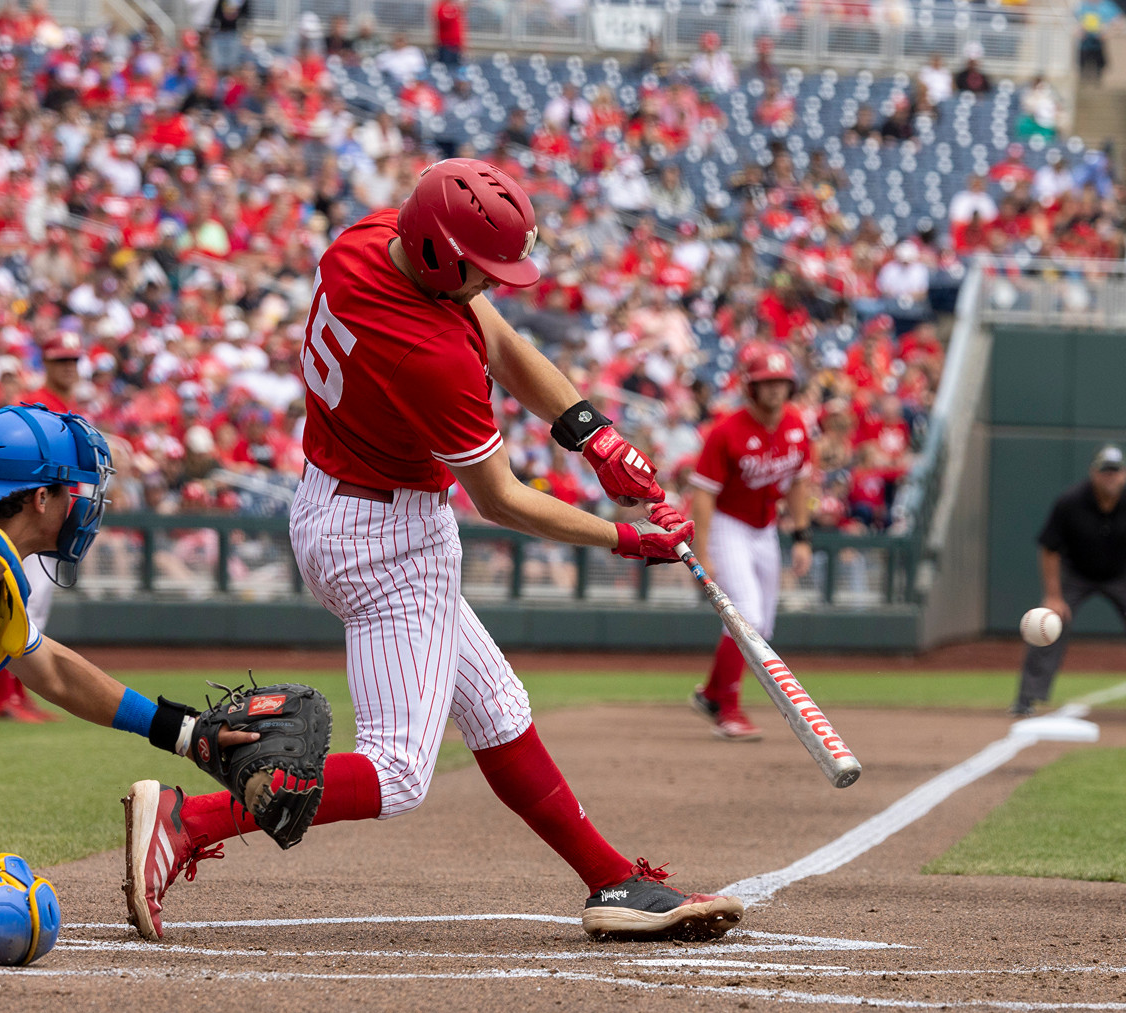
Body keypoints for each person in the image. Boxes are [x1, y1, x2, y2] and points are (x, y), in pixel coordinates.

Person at [120, 159, 743, 944]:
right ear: (443, 257)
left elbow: (502, 341)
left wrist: (593, 432)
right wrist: (625, 538)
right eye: (482, 270)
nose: (493, 285)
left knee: (497, 710)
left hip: (349, 504)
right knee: (400, 771)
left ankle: (609, 880)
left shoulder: (370, 239)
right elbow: (501, 498)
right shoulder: (427, 355)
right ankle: (187, 820)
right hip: (386, 539)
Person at [0, 405, 264, 966]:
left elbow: (52, 670)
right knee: (14, 913)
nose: (84, 502)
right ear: (40, 498)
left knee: (10, 901)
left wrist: (186, 733)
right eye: (71, 488)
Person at [687, 346, 814, 741]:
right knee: (748, 617)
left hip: (765, 527)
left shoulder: (796, 425)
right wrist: (702, 553)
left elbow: (799, 483)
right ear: (750, 387)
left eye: (781, 382)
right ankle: (728, 711)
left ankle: (710, 694)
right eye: (766, 383)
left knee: (763, 625)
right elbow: (703, 495)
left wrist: (802, 536)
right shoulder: (726, 430)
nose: (775, 390)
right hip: (728, 523)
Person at [1012, 446, 1126, 721]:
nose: (1110, 477)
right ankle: (1025, 699)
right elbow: (1049, 548)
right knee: (1046, 622)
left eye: (1116, 472)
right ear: (1093, 473)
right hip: (1076, 572)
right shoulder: (1070, 501)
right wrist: (1053, 595)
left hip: (1122, 574)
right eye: (1105, 472)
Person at [0, 335, 90, 723]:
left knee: (36, 610)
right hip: (33, 516)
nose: (69, 366)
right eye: (60, 359)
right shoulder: (33, 403)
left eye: (73, 359)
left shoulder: (66, 405)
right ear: (46, 363)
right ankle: (5, 700)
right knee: (21, 605)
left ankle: (17, 697)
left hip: (56, 517)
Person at [207, 0, 249, 73]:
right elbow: (216, 14)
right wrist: (212, 29)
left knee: (233, 64)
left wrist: (245, 32)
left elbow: (246, 16)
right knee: (218, 64)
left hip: (234, 33)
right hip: (220, 33)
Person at [433, 0, 467, 67]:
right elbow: (444, 21)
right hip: (447, 44)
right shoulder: (443, 8)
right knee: (447, 67)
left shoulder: (454, 7)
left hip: (455, 44)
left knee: (455, 68)